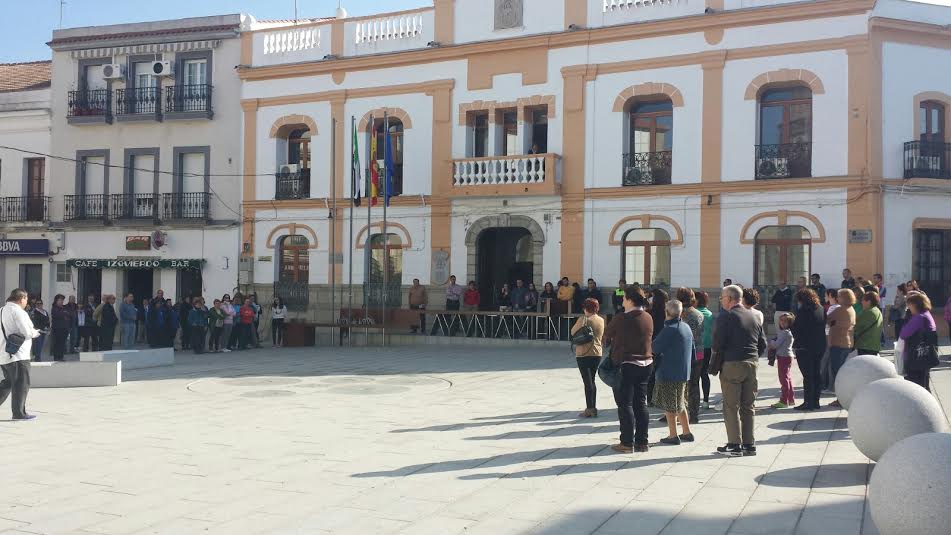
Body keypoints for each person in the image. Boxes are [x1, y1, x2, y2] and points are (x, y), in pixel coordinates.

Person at [713, 284, 767, 457]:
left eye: (722, 297)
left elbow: (718, 343)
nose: (721, 300)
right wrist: (752, 357)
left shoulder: (726, 317)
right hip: (751, 363)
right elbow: (762, 343)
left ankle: (734, 445)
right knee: (748, 406)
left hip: (732, 363)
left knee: (731, 405)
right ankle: (749, 444)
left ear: (729, 298)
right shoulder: (753, 316)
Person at [603, 286, 654, 453]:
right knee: (641, 404)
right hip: (646, 363)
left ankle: (626, 442)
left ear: (630, 300)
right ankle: (642, 442)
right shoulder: (648, 317)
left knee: (625, 405)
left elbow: (607, 333)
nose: (622, 300)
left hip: (626, 364)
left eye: (624, 298)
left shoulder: (621, 318)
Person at [652, 299, 694, 445]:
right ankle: (687, 432)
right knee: (681, 402)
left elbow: (654, 348)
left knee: (670, 404)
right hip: (683, 371)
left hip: (670, 371)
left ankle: (673, 435)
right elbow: (693, 351)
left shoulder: (669, 329)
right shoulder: (686, 327)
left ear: (667, 312)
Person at [0, 289, 41, 421]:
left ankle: (18, 412)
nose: (26, 302)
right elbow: (27, 332)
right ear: (21, 298)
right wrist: (36, 333)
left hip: (4, 354)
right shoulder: (18, 311)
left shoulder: (1, 310)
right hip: (18, 355)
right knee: (21, 383)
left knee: (7, 383)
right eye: (26, 299)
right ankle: (19, 413)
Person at [792, 289, 826, 411]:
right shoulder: (820, 308)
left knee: (808, 376)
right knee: (816, 373)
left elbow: (797, 331)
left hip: (805, 346)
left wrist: (791, 324)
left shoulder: (804, 311)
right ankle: (816, 401)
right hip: (820, 345)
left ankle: (808, 402)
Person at [571, 298, 604, 418]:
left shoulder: (583, 319)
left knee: (587, 382)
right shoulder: (601, 319)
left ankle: (590, 408)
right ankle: (593, 407)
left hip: (584, 353)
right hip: (597, 352)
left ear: (585, 308)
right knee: (592, 380)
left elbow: (573, 331)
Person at [675, 288, 704, 424]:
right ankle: (694, 414)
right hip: (698, 352)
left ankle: (677, 413)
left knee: (680, 385)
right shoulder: (699, 314)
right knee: (694, 384)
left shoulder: (680, 315)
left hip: (683, 353)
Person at [900, 292, 938, 392]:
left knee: (915, 388)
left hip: (916, 358)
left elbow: (903, 334)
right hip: (925, 357)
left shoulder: (919, 318)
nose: (908, 308)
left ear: (915, 305)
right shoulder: (926, 314)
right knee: (924, 385)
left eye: (909, 305)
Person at [826, 289, 856, 407]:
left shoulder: (840, 309)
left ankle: (840, 398)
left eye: (839, 296)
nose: (837, 299)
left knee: (837, 373)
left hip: (838, 343)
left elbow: (827, 319)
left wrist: (833, 324)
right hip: (848, 343)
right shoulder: (851, 309)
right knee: (842, 372)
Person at [769, 313, 796, 409]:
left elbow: (776, 345)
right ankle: (791, 399)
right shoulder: (788, 332)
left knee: (783, 379)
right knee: (788, 378)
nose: (782, 322)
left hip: (783, 357)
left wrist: (772, 341)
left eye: (785, 320)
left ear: (790, 322)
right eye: (781, 320)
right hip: (788, 356)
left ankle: (784, 400)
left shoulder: (784, 333)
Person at [695, 291, 714, 410]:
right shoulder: (710, 314)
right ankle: (706, 401)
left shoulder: (694, 314)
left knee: (695, 375)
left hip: (697, 348)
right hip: (707, 347)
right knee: (704, 374)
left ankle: (695, 401)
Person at [50, 295, 71, 362]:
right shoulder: (54, 308)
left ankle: (61, 356)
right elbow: (57, 315)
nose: (61, 301)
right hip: (57, 329)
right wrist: (64, 313)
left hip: (64, 328)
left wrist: (65, 313)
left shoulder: (64, 307)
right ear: (56, 301)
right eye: (60, 300)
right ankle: (56, 357)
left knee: (62, 343)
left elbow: (69, 314)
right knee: (57, 343)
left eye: (62, 300)